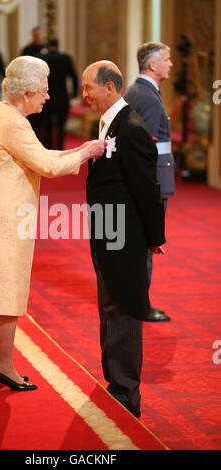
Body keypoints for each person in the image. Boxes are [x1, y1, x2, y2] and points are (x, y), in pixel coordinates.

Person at [0, 56, 105, 392]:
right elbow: (45, 164)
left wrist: (80, 148)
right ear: (26, 91)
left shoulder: (1, 113)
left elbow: (38, 153)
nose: (47, 96)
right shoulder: (12, 122)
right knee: (7, 289)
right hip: (3, 215)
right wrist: (87, 154)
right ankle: (4, 365)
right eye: (43, 90)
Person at [82, 61, 166, 417]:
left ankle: (127, 393)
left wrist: (153, 235)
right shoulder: (106, 123)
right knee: (108, 307)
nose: (84, 95)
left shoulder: (130, 127)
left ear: (111, 88)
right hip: (106, 231)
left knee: (124, 308)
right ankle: (115, 382)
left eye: (89, 88)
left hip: (123, 235)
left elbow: (147, 188)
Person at [124, 42, 174, 322]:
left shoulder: (138, 92)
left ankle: (138, 302)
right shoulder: (148, 97)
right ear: (152, 65)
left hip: (149, 178)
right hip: (153, 179)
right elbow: (147, 148)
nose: (170, 64)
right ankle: (141, 305)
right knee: (148, 243)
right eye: (166, 60)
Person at [41, 38, 78, 150]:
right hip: (62, 97)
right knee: (61, 126)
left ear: (48, 45)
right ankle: (60, 148)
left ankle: (48, 149)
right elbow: (74, 77)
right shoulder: (65, 58)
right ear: (58, 45)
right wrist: (74, 94)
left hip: (46, 97)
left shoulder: (43, 58)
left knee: (47, 126)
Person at [20, 27, 47, 139]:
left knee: (42, 117)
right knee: (31, 115)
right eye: (36, 35)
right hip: (30, 88)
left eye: (39, 35)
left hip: (41, 86)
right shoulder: (27, 49)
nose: (37, 37)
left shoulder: (45, 49)